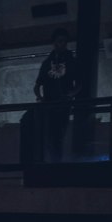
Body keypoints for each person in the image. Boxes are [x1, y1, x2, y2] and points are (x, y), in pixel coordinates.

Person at [33, 28, 78, 161]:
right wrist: (41, 98)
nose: (62, 44)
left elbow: (80, 83)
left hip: (63, 104)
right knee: (52, 136)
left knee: (59, 134)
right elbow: (37, 85)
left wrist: (71, 94)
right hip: (50, 105)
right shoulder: (47, 64)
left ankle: (57, 160)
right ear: (54, 43)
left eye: (64, 41)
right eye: (59, 41)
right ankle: (55, 160)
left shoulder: (71, 62)